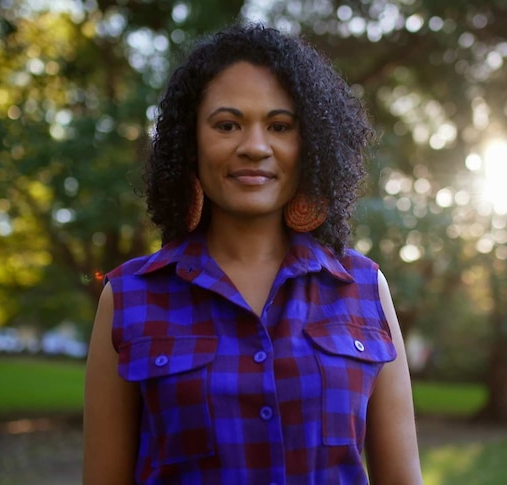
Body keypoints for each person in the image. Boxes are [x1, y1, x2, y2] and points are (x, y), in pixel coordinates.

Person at [83, 23, 422, 484]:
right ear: (191, 142)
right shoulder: (128, 297)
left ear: (310, 145)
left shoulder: (363, 289)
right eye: (227, 125)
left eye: (280, 126)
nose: (255, 147)